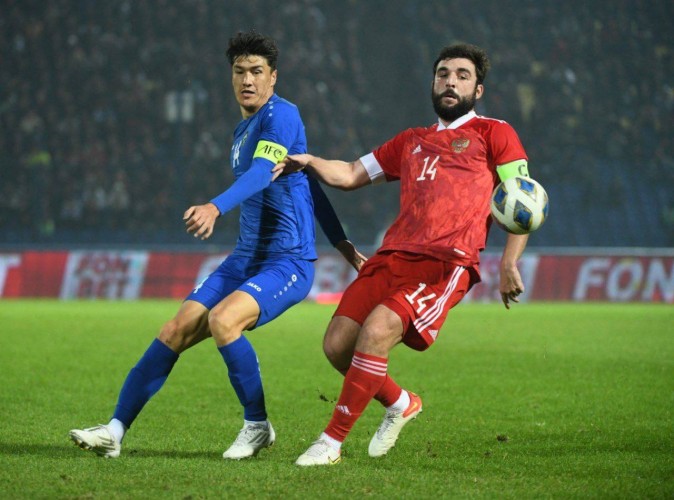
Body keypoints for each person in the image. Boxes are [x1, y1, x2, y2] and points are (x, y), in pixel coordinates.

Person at [69, 30, 365, 460]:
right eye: (239, 71)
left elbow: (262, 172)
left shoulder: (282, 115)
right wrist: (342, 242)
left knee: (224, 321)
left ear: (273, 77)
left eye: (256, 71)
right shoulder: (242, 130)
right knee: (174, 330)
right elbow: (308, 182)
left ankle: (257, 425)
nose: (247, 80)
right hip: (245, 258)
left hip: (287, 262)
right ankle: (115, 430)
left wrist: (215, 206)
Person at [272, 43, 532, 466]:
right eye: (443, 73)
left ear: (478, 90)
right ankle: (401, 403)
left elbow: (523, 200)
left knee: (376, 332)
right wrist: (310, 161)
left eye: (462, 75)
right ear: (433, 82)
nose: (451, 82)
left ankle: (330, 443)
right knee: (337, 345)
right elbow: (351, 174)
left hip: (444, 262)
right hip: (391, 257)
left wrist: (509, 261)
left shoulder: (494, 132)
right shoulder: (411, 141)